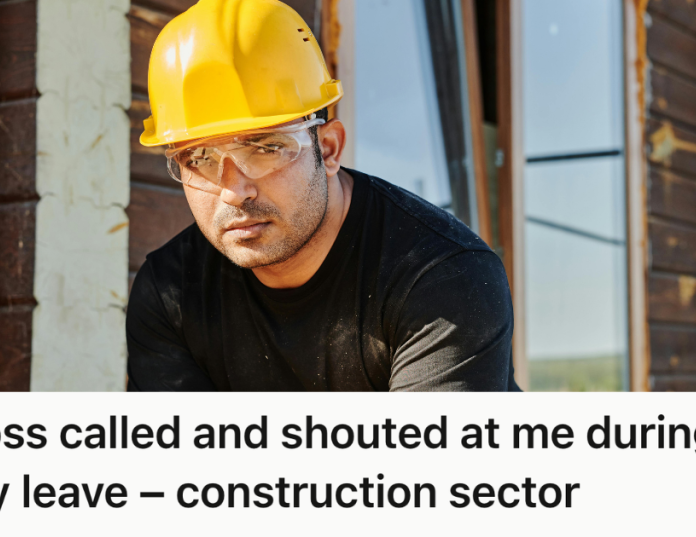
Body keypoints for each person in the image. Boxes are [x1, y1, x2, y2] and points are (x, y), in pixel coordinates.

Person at [126, 0, 519, 391]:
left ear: (328, 149)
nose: (234, 191)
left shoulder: (442, 277)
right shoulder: (169, 294)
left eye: (265, 148)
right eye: (199, 157)